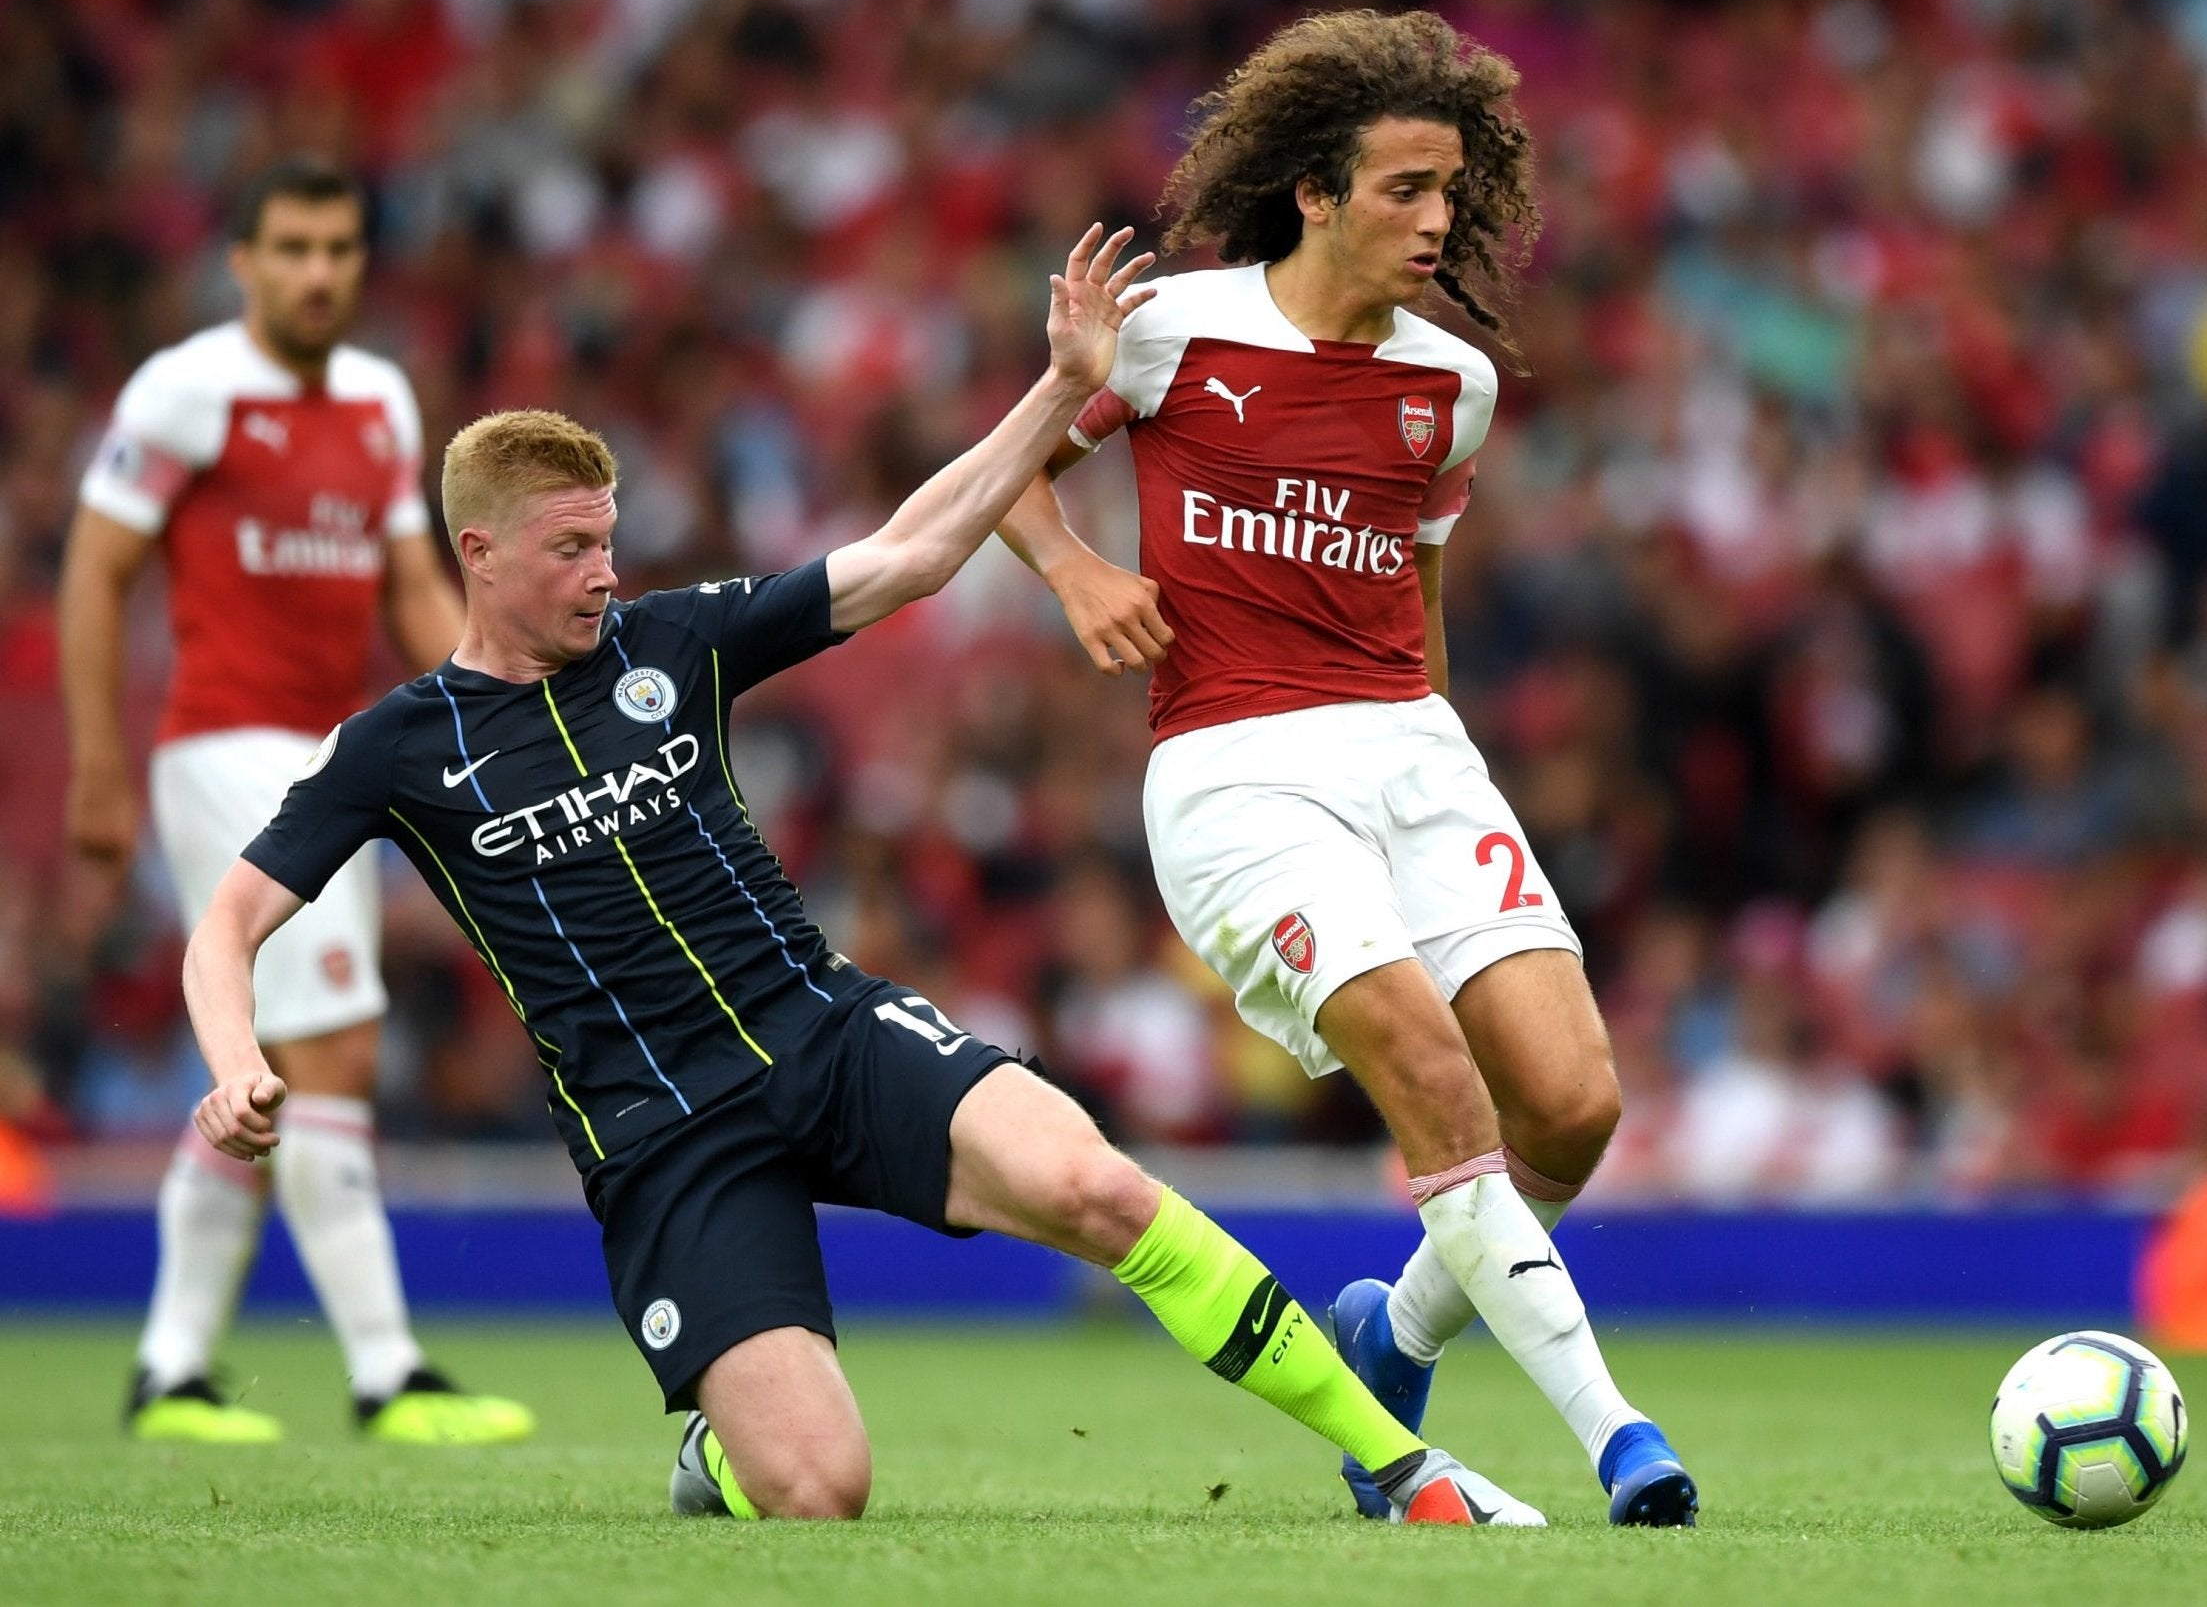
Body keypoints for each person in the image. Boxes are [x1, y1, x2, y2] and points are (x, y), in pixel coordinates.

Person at [183, 225, 1536, 1526]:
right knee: (821, 1488)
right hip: (662, 1131)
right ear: (475, 554)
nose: (604, 572)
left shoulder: (677, 641)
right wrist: (235, 1060)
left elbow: (911, 551)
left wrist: (1062, 385)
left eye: (607, 539)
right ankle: (724, 1446)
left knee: (1099, 1188)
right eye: (568, 551)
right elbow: (229, 919)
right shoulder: (397, 746)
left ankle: (1403, 1463)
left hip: (820, 1028)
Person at [996, 11, 1698, 1527]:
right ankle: (1617, 1436)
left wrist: (1432, 761)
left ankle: (1394, 1327)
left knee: (1572, 1106)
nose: (1437, 220)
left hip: (1407, 751)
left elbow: (1416, 588)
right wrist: (1075, 574)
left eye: (1451, 189)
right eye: (1402, 189)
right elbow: (1005, 478)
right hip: (1235, 766)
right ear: (1314, 192)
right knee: (1434, 1078)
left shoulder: (1453, 386)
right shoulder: (1174, 329)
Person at [59, 156, 532, 1445]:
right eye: (294, 248)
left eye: (338, 248)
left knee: (270, 1073)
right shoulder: (189, 391)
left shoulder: (379, 401)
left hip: (329, 759)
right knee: (333, 1053)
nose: (319, 271)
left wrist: (494, 703)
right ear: (245, 262)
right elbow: (96, 571)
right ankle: (387, 1372)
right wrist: (102, 765)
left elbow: (411, 585)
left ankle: (169, 1367)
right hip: (219, 745)